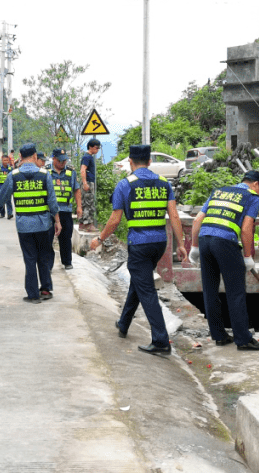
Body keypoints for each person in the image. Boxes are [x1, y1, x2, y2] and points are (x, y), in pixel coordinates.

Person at [89, 144, 187, 356]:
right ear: (150, 162)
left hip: (140, 244)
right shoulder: (163, 183)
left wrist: (99, 238)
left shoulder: (125, 185)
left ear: (130, 163)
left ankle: (161, 341)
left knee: (147, 290)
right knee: (139, 281)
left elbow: (115, 220)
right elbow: (175, 216)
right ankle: (123, 323)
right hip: (160, 243)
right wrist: (180, 244)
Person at [189, 170, 259, 351]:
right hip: (225, 243)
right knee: (236, 292)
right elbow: (247, 228)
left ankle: (219, 336)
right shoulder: (252, 197)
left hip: (205, 240)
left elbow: (197, 220)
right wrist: (248, 256)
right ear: (256, 184)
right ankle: (243, 339)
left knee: (210, 291)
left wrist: (194, 247)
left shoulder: (219, 192)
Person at [0, 143, 61, 303]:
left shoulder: (13, 175)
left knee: (30, 258)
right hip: (43, 224)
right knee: (43, 257)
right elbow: (52, 201)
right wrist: (57, 220)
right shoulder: (45, 174)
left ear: (20, 158)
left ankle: (32, 295)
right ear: (35, 156)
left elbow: (3, 195)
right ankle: (45, 290)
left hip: (24, 226)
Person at [50, 148, 83, 270]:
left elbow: (76, 189)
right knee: (47, 238)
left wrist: (79, 207)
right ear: (53, 158)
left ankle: (67, 261)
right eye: (60, 160)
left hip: (66, 209)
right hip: (50, 211)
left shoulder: (70, 173)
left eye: (64, 161)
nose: (62, 163)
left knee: (65, 237)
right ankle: (48, 264)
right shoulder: (47, 172)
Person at [79, 138, 101, 231]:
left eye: (98, 148)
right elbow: (83, 169)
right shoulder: (87, 157)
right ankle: (88, 224)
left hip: (88, 181)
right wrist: (85, 183)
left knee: (85, 202)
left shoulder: (89, 157)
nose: (97, 149)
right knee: (88, 203)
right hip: (87, 182)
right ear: (90, 147)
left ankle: (82, 223)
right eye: (96, 147)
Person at [0, 154, 14, 219]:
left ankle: (10, 214)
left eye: (7, 160)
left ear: (8, 161)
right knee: (1, 199)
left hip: (8, 187)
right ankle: (2, 214)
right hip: (0, 187)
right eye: (4, 160)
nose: (5, 161)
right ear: (2, 160)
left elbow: (13, 177)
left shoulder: (10, 168)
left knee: (8, 200)